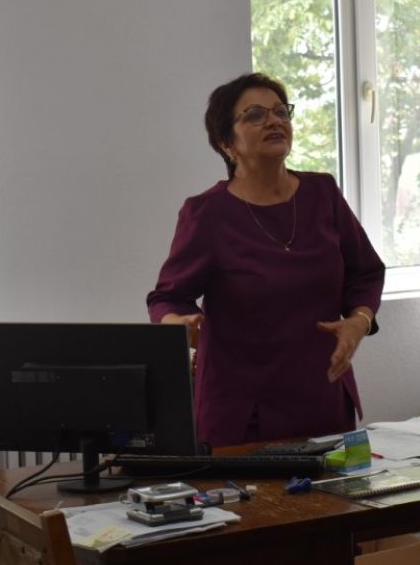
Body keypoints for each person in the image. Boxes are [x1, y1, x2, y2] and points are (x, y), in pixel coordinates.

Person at [148, 72, 385, 448]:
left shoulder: (322, 193)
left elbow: (366, 272)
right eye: (255, 115)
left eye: (280, 112)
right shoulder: (208, 213)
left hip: (323, 397)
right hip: (243, 413)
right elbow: (166, 297)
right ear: (227, 143)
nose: (274, 121)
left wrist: (359, 320)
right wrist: (178, 324)